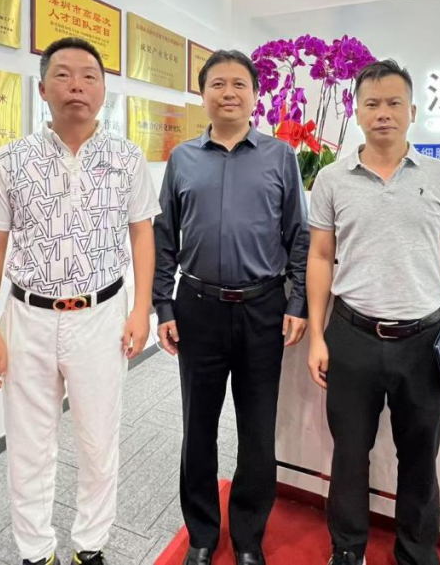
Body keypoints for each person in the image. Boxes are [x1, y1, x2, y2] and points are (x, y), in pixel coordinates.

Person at [0, 37, 160, 565]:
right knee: (29, 442)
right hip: (27, 317)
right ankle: (35, 550)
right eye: (64, 74)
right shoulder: (12, 160)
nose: (77, 85)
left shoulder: (125, 158)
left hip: (102, 316)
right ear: (43, 88)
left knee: (98, 440)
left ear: (103, 90)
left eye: (89, 76)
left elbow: (143, 234)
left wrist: (141, 308)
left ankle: (90, 544)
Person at [305, 59, 440, 565]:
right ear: (357, 111)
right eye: (372, 104)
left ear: (412, 111)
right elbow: (319, 257)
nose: (383, 112)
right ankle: (348, 549)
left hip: (424, 343)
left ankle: (416, 553)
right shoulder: (332, 179)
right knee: (349, 454)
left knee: (420, 457)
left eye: (393, 103)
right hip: (351, 335)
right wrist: (317, 336)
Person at [153, 49, 310, 565]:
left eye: (239, 84)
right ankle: (202, 533)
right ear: (203, 94)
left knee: (257, 428)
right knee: (197, 427)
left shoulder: (281, 156)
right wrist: (163, 306)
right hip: (197, 307)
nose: (228, 93)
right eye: (217, 83)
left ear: (255, 95)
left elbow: (299, 235)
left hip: (263, 308)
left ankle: (247, 536)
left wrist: (297, 300)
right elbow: (164, 236)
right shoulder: (182, 159)